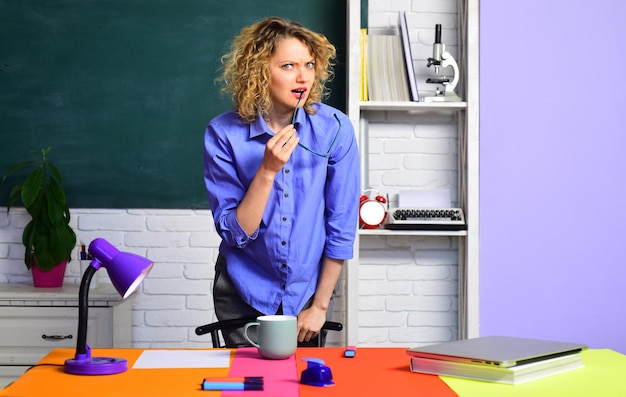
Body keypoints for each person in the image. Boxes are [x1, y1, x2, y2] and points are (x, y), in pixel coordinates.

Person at [203, 16, 359, 347]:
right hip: (243, 290)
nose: (303, 77)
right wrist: (267, 171)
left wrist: (319, 305)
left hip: (307, 296)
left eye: (309, 64)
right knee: (246, 386)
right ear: (260, 72)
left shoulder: (334, 129)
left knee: (299, 387)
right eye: (288, 65)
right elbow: (235, 232)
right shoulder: (223, 133)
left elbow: (341, 225)